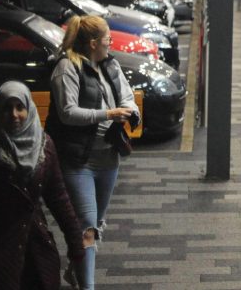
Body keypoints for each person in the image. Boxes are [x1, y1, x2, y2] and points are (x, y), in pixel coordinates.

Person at [46, 15, 141, 290]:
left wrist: (128, 110)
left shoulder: (109, 65)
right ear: (93, 43)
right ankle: (87, 286)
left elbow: (126, 96)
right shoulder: (67, 68)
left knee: (95, 223)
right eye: (108, 39)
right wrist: (108, 113)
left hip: (108, 158)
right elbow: (67, 113)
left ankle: (78, 267)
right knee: (87, 225)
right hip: (78, 161)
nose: (110, 43)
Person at [0, 81, 87, 290]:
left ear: (28, 109)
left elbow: (58, 197)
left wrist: (76, 244)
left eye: (19, 107)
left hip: (37, 246)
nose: (14, 114)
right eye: (6, 108)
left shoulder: (44, 145)